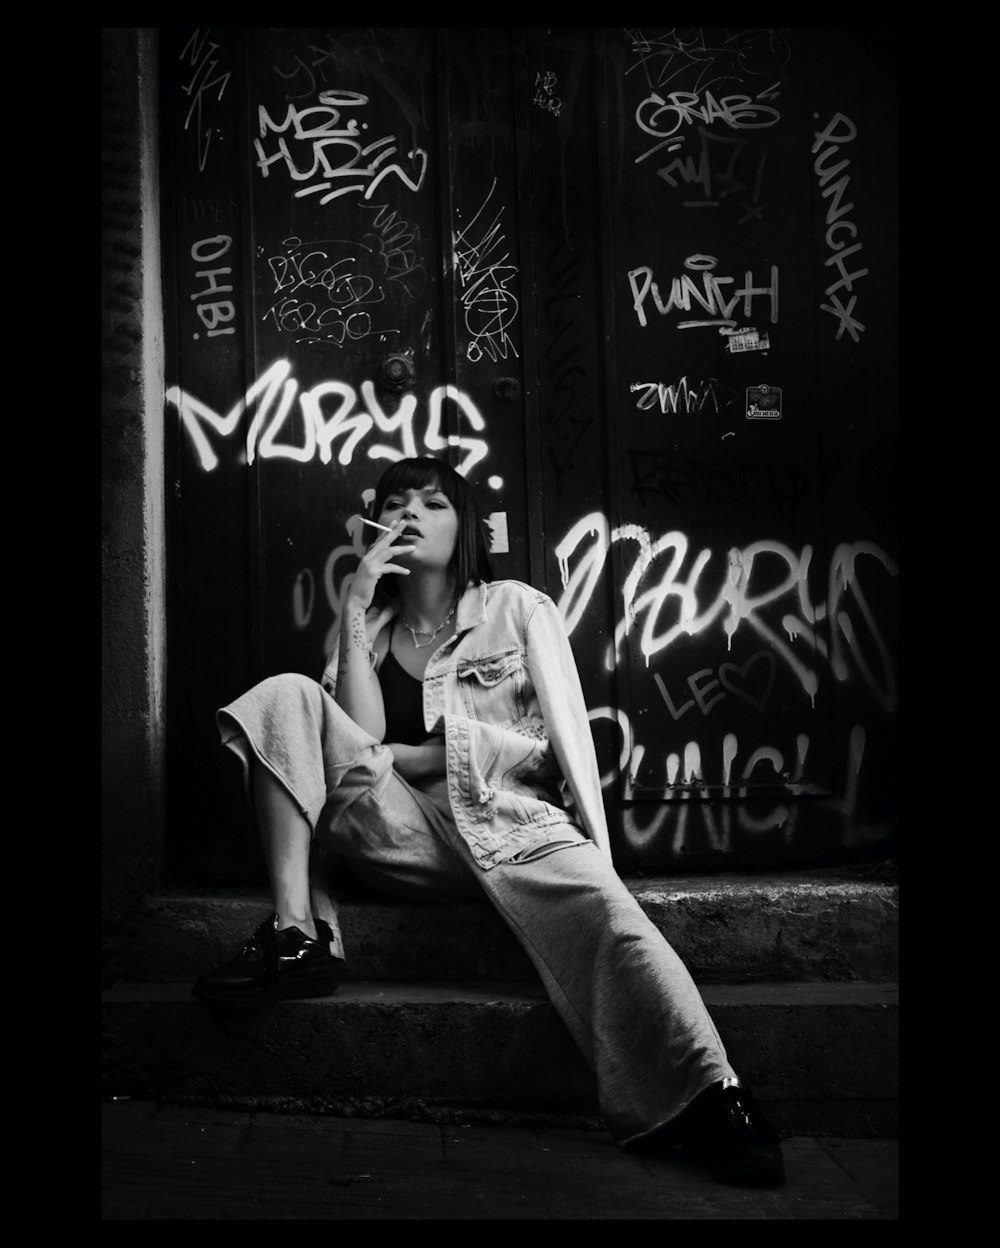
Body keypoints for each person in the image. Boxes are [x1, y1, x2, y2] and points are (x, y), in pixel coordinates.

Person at [192, 455, 785, 1187]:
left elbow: (558, 740)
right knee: (287, 696)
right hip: (401, 838)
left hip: (508, 824)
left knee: (609, 915)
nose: (410, 511)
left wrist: (435, 758)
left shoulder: (516, 608)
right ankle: (292, 937)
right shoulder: (369, 629)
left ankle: (705, 1095)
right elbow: (351, 742)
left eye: (432, 502)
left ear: (465, 526)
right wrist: (352, 606)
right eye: (396, 501)